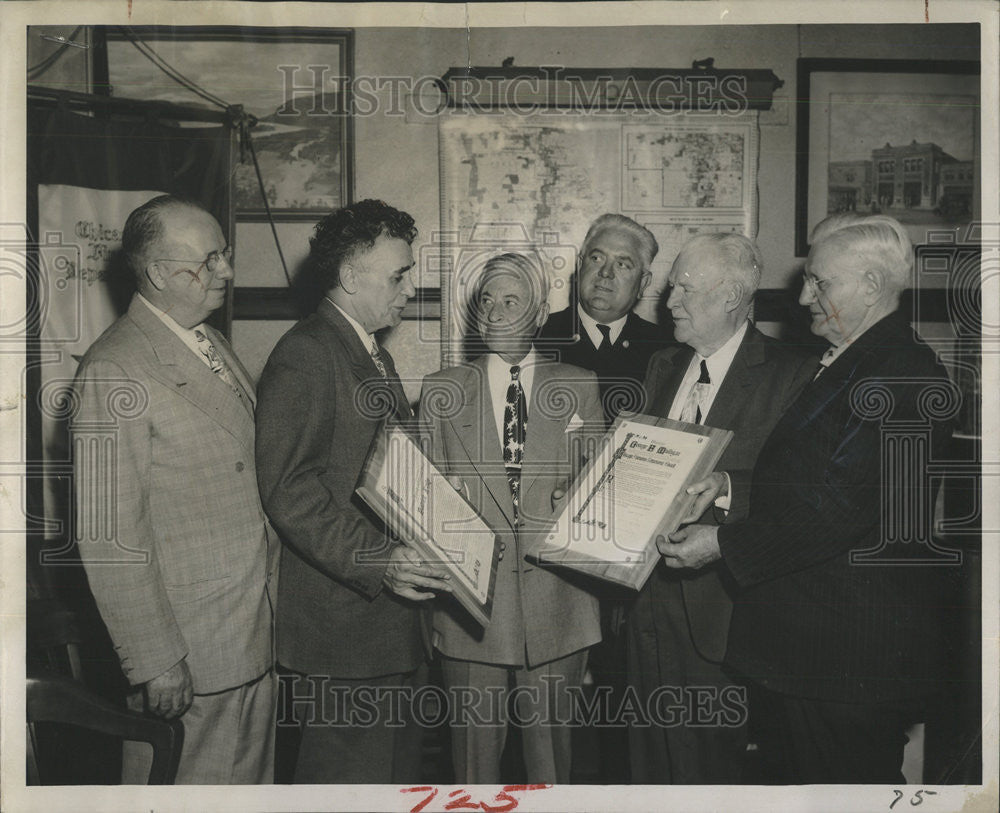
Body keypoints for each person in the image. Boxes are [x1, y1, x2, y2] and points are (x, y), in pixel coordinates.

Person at [663, 215, 957, 783]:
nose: (804, 296)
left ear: (871, 287)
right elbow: (816, 481)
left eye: (821, 283)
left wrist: (721, 544)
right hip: (815, 652)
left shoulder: (899, 377)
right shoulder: (858, 361)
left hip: (845, 659)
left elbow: (840, 509)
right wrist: (730, 488)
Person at [72, 195, 277, 784]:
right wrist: (156, 661)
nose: (227, 272)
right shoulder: (115, 370)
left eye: (225, 254)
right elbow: (110, 537)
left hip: (244, 630)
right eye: (208, 260)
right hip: (189, 652)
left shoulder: (207, 340)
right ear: (158, 273)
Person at [255, 199, 451, 783]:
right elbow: (289, 491)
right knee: (346, 786)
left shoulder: (369, 351)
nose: (409, 289)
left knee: (390, 780)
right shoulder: (306, 355)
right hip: (345, 633)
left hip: (387, 627)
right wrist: (381, 561)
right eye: (398, 275)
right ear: (348, 277)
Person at [626, 233, 815, 784]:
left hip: (723, 619)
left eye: (684, 287)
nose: (669, 301)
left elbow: (800, 491)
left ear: (732, 296)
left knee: (708, 776)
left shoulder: (792, 374)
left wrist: (730, 487)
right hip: (642, 612)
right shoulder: (662, 365)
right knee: (645, 775)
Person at [419, 252, 603, 784]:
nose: (496, 314)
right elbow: (421, 501)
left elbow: (598, 494)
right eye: (487, 302)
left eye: (512, 301)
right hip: (471, 611)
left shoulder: (580, 384)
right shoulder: (440, 390)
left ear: (540, 312)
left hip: (559, 609)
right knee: (473, 769)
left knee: (552, 770)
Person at [539, 213, 671, 425]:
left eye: (622, 264)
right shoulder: (537, 338)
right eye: (597, 258)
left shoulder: (665, 350)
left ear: (643, 283)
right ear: (580, 266)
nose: (606, 273)